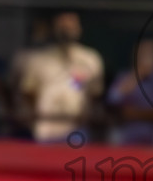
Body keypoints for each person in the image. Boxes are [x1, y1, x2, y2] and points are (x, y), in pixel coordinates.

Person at [15, 11, 103, 143]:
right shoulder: (38, 60)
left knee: (76, 163)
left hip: (78, 130)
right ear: (54, 28)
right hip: (47, 130)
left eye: (71, 25)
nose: (66, 30)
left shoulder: (90, 59)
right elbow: (28, 94)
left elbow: (96, 95)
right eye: (63, 26)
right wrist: (36, 121)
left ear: (79, 28)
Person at [106, 37, 153, 145]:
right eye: (141, 53)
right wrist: (136, 76)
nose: (145, 58)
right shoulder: (125, 77)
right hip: (128, 139)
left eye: (149, 54)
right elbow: (112, 101)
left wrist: (133, 114)